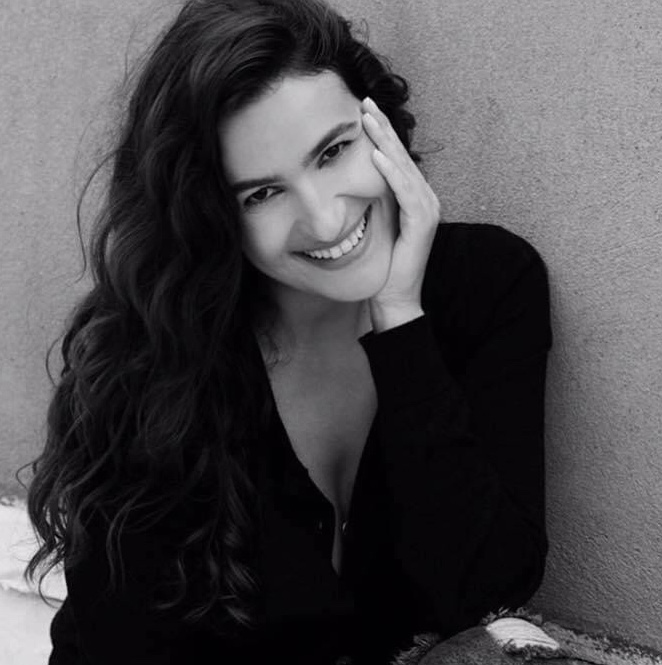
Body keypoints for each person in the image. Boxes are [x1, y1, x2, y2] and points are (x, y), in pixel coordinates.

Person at [24, 0, 552, 663]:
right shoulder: (152, 357)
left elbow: (487, 591)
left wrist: (399, 320)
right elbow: (120, 644)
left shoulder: (489, 285)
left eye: (333, 151)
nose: (326, 220)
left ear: (382, 128)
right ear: (213, 216)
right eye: (262, 194)